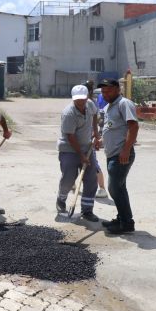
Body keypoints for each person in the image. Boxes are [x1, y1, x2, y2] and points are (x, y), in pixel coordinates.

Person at [98, 78, 139, 234]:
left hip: (121, 155)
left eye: (108, 90)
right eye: (103, 91)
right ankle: (123, 219)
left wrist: (126, 150)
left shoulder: (124, 103)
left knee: (114, 188)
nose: (105, 94)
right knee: (119, 188)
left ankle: (126, 223)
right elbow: (112, 128)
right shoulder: (109, 107)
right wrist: (101, 141)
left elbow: (133, 126)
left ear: (117, 89)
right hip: (112, 154)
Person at [55, 85, 100, 222]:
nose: (80, 102)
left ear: (87, 97)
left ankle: (87, 210)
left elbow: (94, 115)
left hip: (87, 147)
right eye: (77, 100)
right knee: (69, 178)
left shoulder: (90, 104)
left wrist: (96, 133)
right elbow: (71, 137)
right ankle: (61, 199)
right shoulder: (69, 113)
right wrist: (81, 156)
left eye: (82, 99)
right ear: (73, 98)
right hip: (69, 149)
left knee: (91, 179)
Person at [83, 80, 108, 198]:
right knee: (78, 163)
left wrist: (95, 135)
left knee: (93, 164)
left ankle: (102, 188)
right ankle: (73, 184)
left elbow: (96, 121)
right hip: (83, 138)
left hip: (88, 138)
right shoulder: (84, 102)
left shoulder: (91, 103)